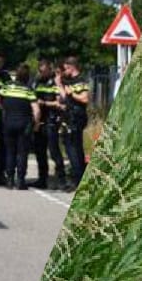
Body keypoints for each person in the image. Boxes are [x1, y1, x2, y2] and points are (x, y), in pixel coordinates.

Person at [0, 65, 39, 190]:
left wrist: (4, 107)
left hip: (8, 122)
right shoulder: (28, 90)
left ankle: (9, 180)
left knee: (10, 151)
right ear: (27, 77)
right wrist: (36, 124)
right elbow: (36, 110)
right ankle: (20, 181)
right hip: (23, 124)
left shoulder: (6, 87)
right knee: (22, 153)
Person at [59, 55, 91, 188]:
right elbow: (64, 96)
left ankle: (78, 178)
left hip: (77, 116)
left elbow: (85, 99)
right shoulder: (68, 81)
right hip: (68, 117)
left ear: (72, 67)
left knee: (74, 148)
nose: (64, 71)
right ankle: (77, 175)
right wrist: (59, 85)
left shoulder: (81, 80)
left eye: (66, 68)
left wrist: (72, 94)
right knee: (72, 147)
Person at [32, 59, 60, 190]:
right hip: (40, 122)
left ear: (50, 69)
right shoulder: (37, 82)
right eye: (40, 70)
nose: (41, 73)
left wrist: (44, 103)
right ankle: (42, 179)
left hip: (51, 120)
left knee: (54, 152)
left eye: (44, 71)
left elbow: (60, 103)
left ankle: (62, 180)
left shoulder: (56, 82)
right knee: (40, 152)